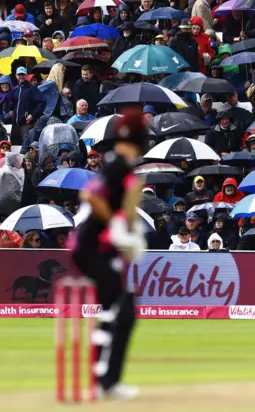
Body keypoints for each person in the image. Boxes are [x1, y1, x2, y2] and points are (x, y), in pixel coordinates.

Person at [70, 110, 149, 400]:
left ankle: (104, 379)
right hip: (91, 248)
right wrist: (116, 225)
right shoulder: (118, 166)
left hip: (97, 249)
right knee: (122, 308)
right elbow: (90, 196)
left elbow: (123, 207)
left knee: (115, 309)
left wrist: (130, 231)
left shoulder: (123, 168)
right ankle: (107, 381)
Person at [13, 67, 45, 143]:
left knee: (26, 144)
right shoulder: (15, 89)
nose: (21, 76)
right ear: (16, 76)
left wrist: (32, 115)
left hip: (27, 124)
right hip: (15, 125)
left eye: (23, 74)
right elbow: (12, 104)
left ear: (26, 75)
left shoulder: (32, 89)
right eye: (19, 75)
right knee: (15, 146)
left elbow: (42, 103)